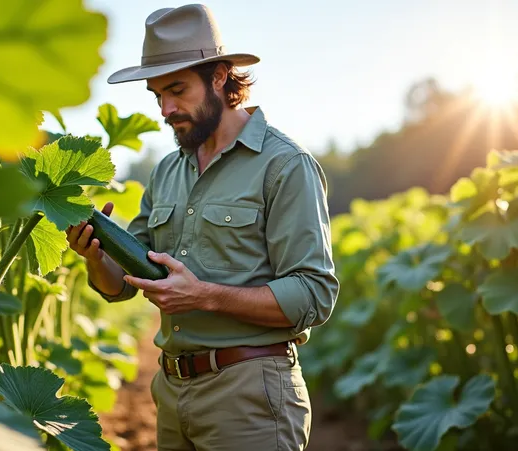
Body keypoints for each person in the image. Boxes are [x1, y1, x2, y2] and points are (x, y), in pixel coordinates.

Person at [65, 4, 339, 450]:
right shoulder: (167, 172)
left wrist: (205, 296)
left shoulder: (285, 166)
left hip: (250, 392)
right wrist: (96, 256)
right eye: (156, 95)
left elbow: (314, 294)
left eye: (177, 90)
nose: (166, 109)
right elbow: (124, 285)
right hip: (172, 391)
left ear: (219, 76)